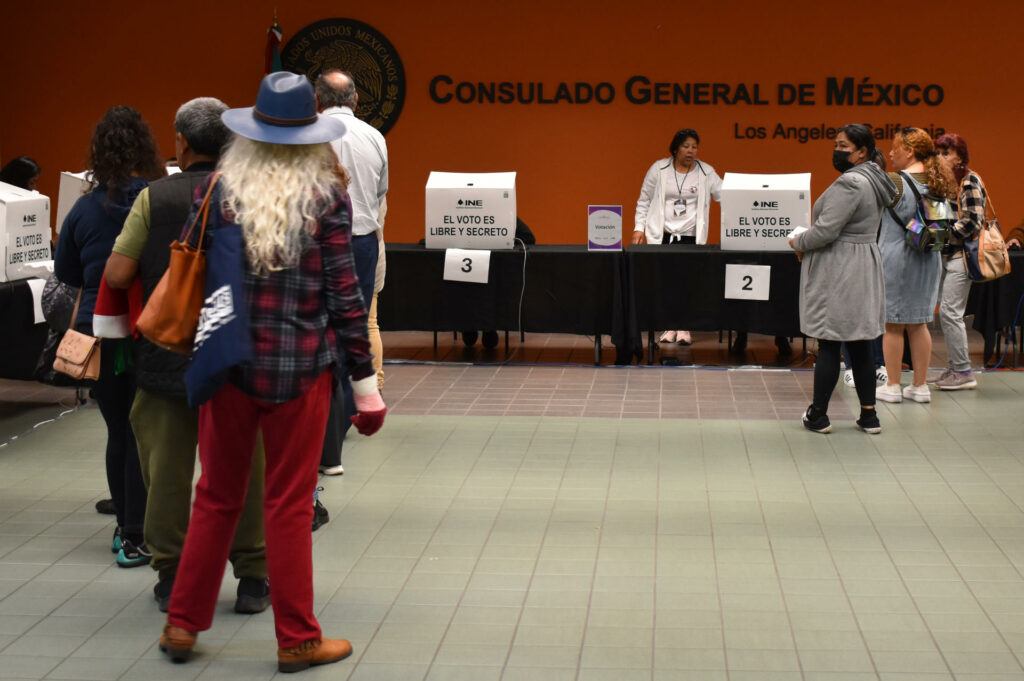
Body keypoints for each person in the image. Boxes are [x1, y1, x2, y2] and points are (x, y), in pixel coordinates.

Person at [158, 72, 386, 673]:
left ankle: (182, 625)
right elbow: (345, 297)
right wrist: (366, 389)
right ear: (312, 134)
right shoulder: (327, 198)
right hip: (300, 371)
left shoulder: (217, 192)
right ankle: (298, 640)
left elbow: (192, 267)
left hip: (228, 365)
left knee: (214, 498)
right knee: (286, 506)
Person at [103, 98, 270, 613]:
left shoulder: (154, 197)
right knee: (245, 467)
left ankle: (172, 577)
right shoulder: (256, 194)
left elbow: (116, 275)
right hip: (239, 354)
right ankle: (253, 578)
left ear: (181, 142)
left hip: (168, 352)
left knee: (167, 471)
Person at [54, 106, 165, 563]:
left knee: (118, 427)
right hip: (151, 327)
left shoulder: (83, 208)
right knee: (149, 430)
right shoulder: (159, 199)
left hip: (101, 332)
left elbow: (66, 272)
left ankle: (125, 524)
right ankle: (147, 523)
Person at [789, 124, 896, 434]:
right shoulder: (876, 180)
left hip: (841, 267)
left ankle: (818, 415)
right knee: (861, 343)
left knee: (828, 341)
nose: (836, 150)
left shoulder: (851, 183)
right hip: (864, 263)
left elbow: (826, 231)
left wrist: (799, 241)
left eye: (842, 145)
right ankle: (869, 416)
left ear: (861, 151)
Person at [315, 69, 388, 476]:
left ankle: (323, 430)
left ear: (317, 101)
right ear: (356, 99)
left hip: (312, 239)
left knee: (316, 328)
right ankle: (340, 426)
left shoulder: (305, 133)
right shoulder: (375, 137)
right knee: (353, 327)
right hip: (359, 240)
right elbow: (380, 196)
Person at [875, 128, 956, 404]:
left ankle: (893, 386)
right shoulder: (938, 181)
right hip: (929, 258)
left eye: (895, 147)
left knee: (893, 325)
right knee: (920, 323)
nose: (890, 153)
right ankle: (920, 387)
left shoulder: (894, 181)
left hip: (897, 259)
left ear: (909, 151)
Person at [633, 128, 722, 346]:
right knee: (665, 283)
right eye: (686, 146)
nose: (691, 151)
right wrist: (639, 227)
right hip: (663, 236)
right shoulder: (659, 169)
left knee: (688, 284)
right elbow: (644, 199)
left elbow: (725, 195)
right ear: (675, 148)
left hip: (691, 237)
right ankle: (669, 325)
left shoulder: (706, 172)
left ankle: (684, 327)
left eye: (694, 147)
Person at [930, 133, 985, 390]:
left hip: (961, 257)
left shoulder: (970, 180)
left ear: (960, 156)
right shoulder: (946, 183)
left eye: (946, 153)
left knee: (951, 314)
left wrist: (942, 234)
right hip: (946, 256)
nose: (940, 158)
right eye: (938, 153)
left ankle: (964, 372)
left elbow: (974, 220)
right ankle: (954, 368)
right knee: (949, 314)